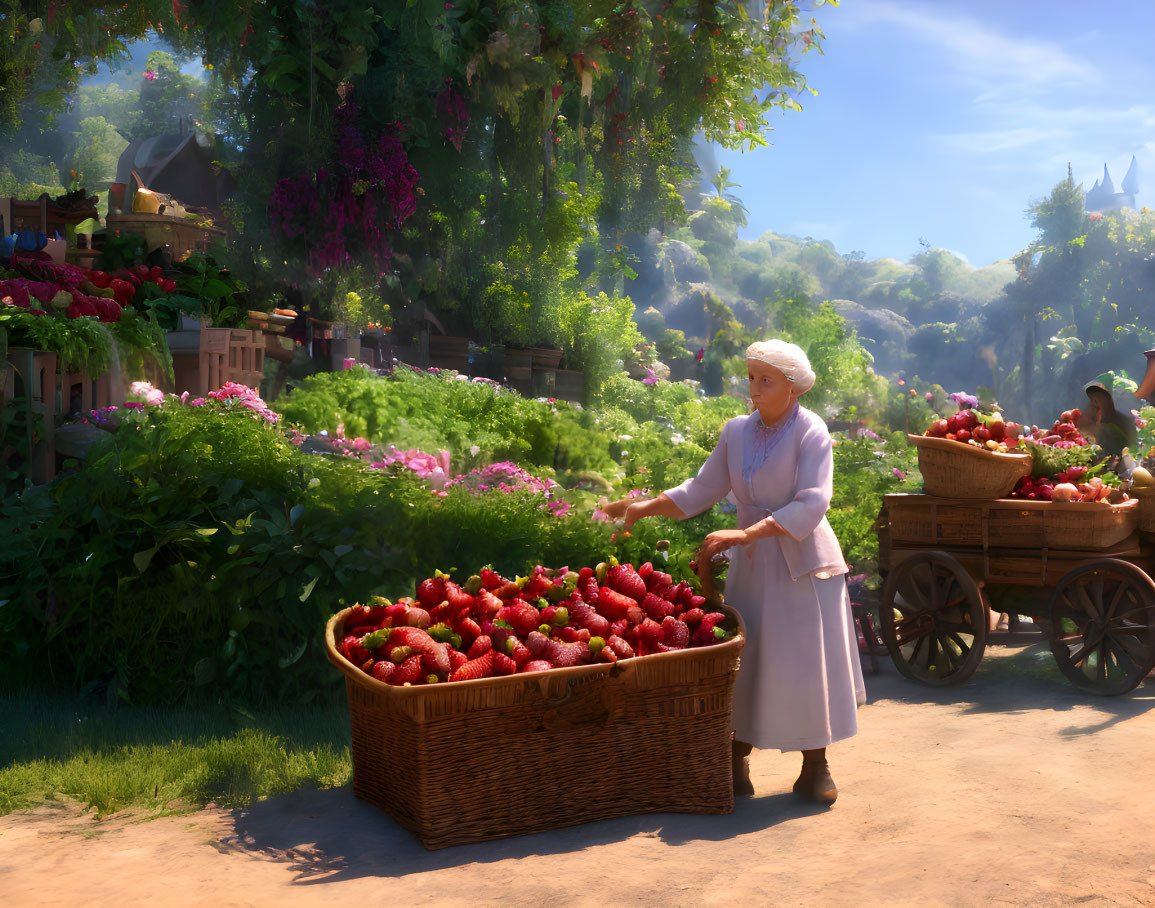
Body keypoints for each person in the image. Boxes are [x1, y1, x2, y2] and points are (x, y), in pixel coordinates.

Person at [600, 340, 865, 806]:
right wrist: (644, 507)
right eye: (751, 377)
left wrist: (746, 534)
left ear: (793, 387)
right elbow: (701, 488)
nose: (755, 388)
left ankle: (815, 764)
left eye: (766, 380)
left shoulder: (811, 431)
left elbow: (813, 500)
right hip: (753, 562)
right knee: (745, 657)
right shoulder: (737, 432)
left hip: (801, 561)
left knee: (803, 661)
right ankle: (735, 759)